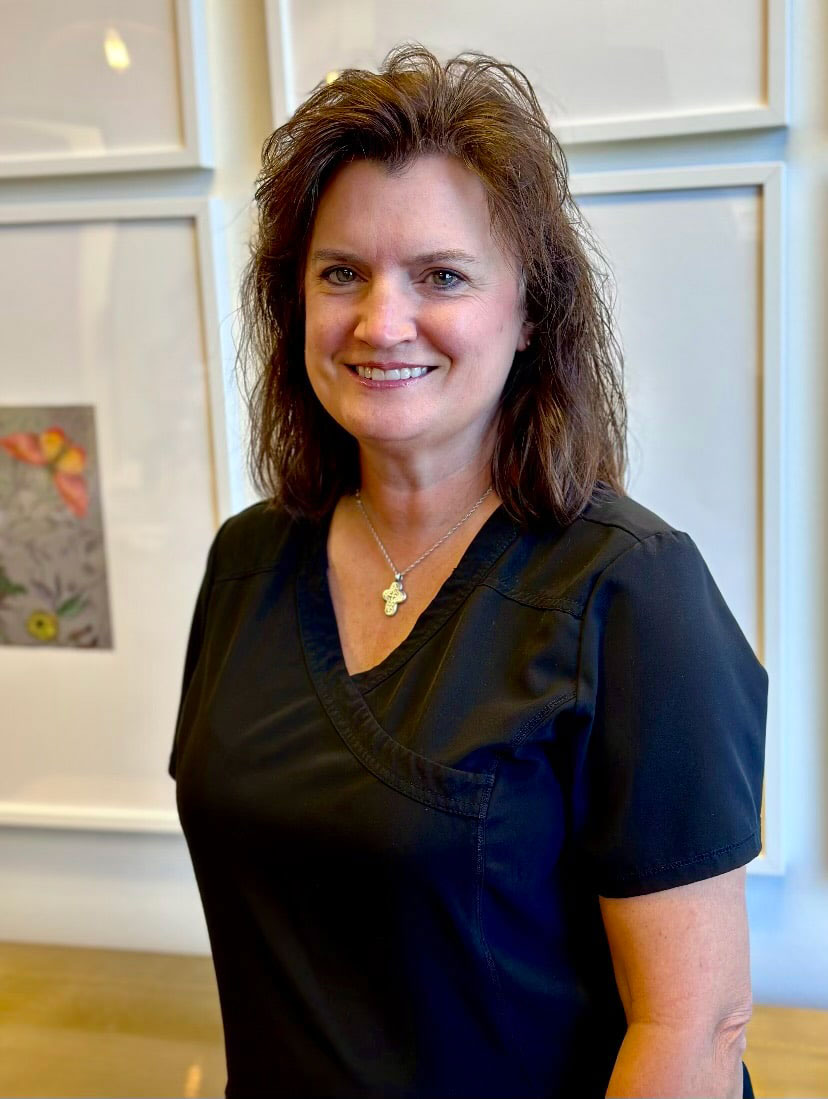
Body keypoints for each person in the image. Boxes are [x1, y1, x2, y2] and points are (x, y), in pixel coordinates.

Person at [169, 45, 767, 1099]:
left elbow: (695, 1030)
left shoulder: (633, 592)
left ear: (529, 313)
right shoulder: (247, 561)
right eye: (340, 272)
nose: (380, 321)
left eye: (440, 275)